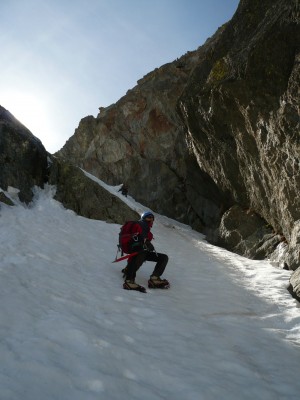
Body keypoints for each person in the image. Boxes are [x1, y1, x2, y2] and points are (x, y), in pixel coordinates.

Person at [122, 211, 169, 292]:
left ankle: (154, 278)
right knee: (158, 257)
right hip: (139, 251)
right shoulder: (141, 225)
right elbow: (138, 239)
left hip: (141, 251)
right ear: (144, 218)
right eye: (149, 217)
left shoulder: (147, 230)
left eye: (152, 218)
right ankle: (129, 280)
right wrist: (146, 243)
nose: (151, 219)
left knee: (163, 257)